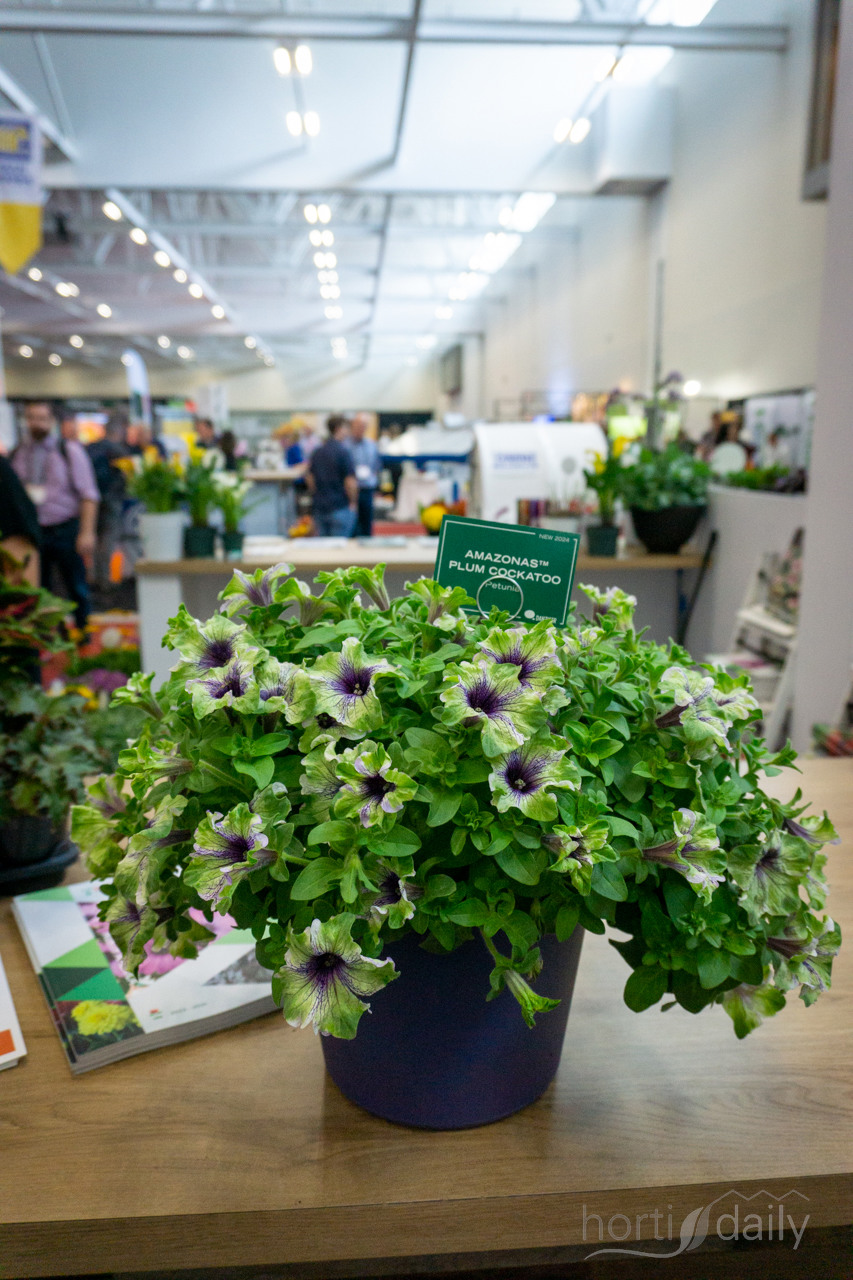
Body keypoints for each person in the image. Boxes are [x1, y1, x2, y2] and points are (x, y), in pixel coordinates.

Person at [11, 401, 99, 628]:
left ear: (52, 421)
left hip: (65, 528)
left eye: (42, 418)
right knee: (39, 588)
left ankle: (83, 631)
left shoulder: (68, 451)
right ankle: (48, 634)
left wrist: (87, 532)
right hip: (32, 532)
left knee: (76, 585)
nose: (36, 423)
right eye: (32, 418)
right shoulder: (18, 453)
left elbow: (89, 494)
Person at [87, 412, 130, 592]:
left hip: (92, 500)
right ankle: (104, 580)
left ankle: (93, 576)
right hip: (112, 499)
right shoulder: (118, 450)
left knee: (94, 538)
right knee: (108, 539)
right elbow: (128, 475)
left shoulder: (90, 448)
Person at [306, 415, 357, 537]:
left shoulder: (317, 452)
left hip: (320, 507)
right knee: (339, 546)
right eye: (346, 428)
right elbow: (350, 482)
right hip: (339, 506)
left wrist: (317, 494)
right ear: (338, 428)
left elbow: (310, 479)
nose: (348, 432)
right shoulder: (343, 452)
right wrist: (353, 502)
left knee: (323, 546)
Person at [345, 412, 381, 538]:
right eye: (359, 425)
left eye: (364, 426)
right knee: (351, 526)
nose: (361, 428)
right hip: (350, 491)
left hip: (367, 488)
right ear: (353, 426)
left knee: (367, 525)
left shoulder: (372, 445)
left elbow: (377, 466)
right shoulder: (345, 445)